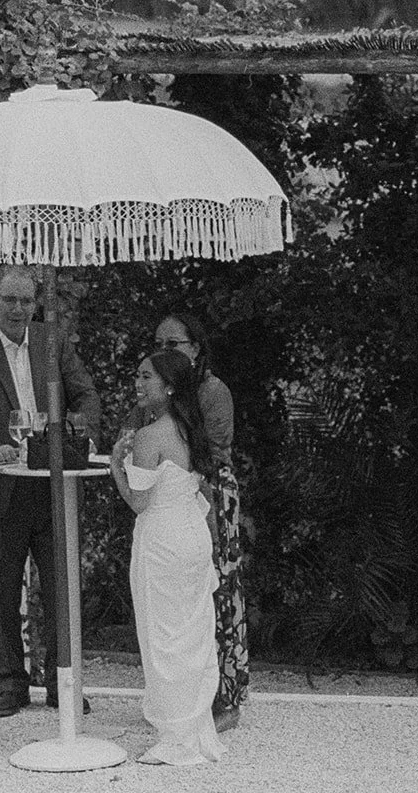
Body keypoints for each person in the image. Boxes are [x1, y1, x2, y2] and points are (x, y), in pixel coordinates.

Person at [0, 264, 101, 716]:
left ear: (36, 303)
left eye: (26, 300)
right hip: (0, 487)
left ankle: (64, 684)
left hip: (53, 486)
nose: (18, 308)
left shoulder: (51, 339)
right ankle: (6, 685)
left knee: (61, 586)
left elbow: (86, 395)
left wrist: (80, 424)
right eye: (10, 299)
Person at [109, 349, 223, 767]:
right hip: (192, 535)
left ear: (169, 386)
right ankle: (193, 726)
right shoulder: (192, 429)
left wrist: (116, 467)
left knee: (162, 636)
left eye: (146, 378)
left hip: (162, 537)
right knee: (191, 633)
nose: (137, 384)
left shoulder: (148, 436)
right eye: (137, 376)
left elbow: (139, 502)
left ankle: (176, 735)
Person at [154, 309, 246, 732]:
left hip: (210, 495)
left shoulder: (212, 391)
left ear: (196, 348)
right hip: (172, 498)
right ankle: (186, 694)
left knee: (217, 591)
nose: (164, 351)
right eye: (159, 345)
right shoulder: (163, 392)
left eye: (173, 344)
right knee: (181, 600)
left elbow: (213, 452)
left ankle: (224, 699)